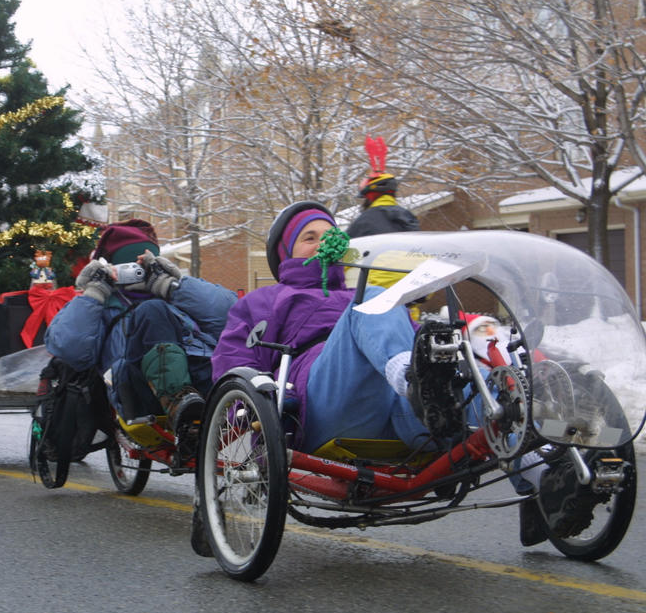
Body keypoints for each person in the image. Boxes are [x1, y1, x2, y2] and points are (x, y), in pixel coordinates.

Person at [211, 201, 592, 544]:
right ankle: (412, 380)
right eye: (309, 237)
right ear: (285, 252)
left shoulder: (364, 293)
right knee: (375, 299)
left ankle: (547, 481)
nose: (322, 243)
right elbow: (233, 368)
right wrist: (257, 424)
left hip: (405, 414)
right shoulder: (265, 300)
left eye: (329, 236)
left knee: (469, 374)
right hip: (327, 403)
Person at [45, 219, 237, 445]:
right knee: (152, 311)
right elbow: (71, 350)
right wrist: (93, 294)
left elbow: (233, 315)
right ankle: (177, 400)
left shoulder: (177, 296)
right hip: (141, 390)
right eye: (127, 266)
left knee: (232, 359)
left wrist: (175, 285)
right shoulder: (102, 308)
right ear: (113, 267)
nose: (135, 273)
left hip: (202, 374)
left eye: (141, 266)